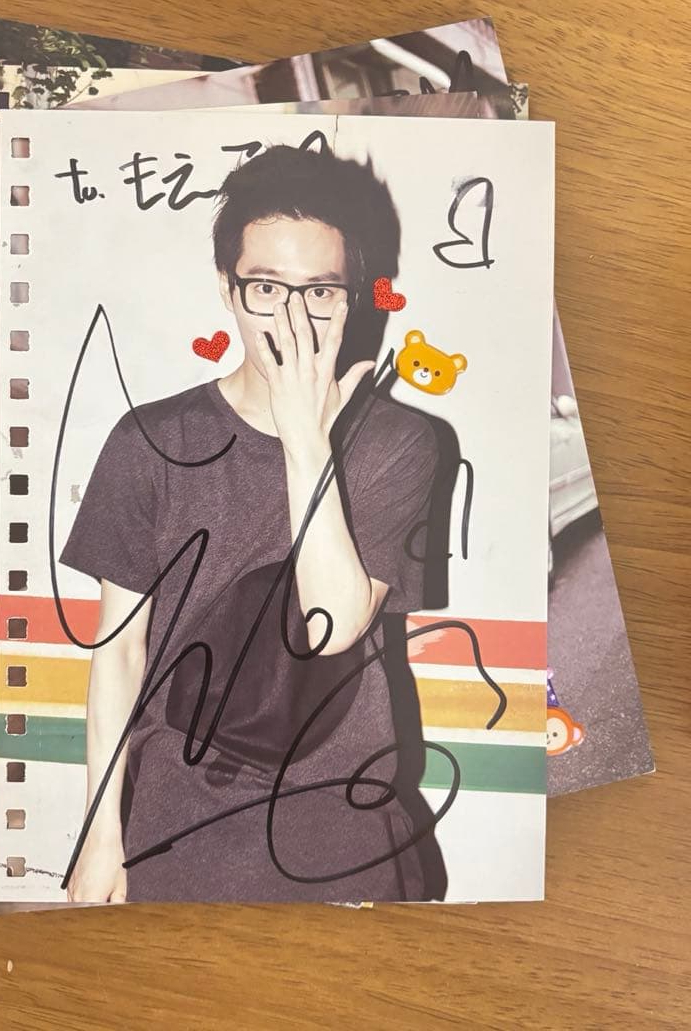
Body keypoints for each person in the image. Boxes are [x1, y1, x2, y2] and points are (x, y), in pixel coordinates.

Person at [60, 143, 448, 903]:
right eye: (266, 287)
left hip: (341, 828)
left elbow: (330, 626)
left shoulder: (399, 444)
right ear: (227, 290)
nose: (292, 320)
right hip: (178, 828)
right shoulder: (150, 441)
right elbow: (119, 654)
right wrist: (100, 836)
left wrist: (305, 437)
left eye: (320, 292)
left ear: (354, 298)